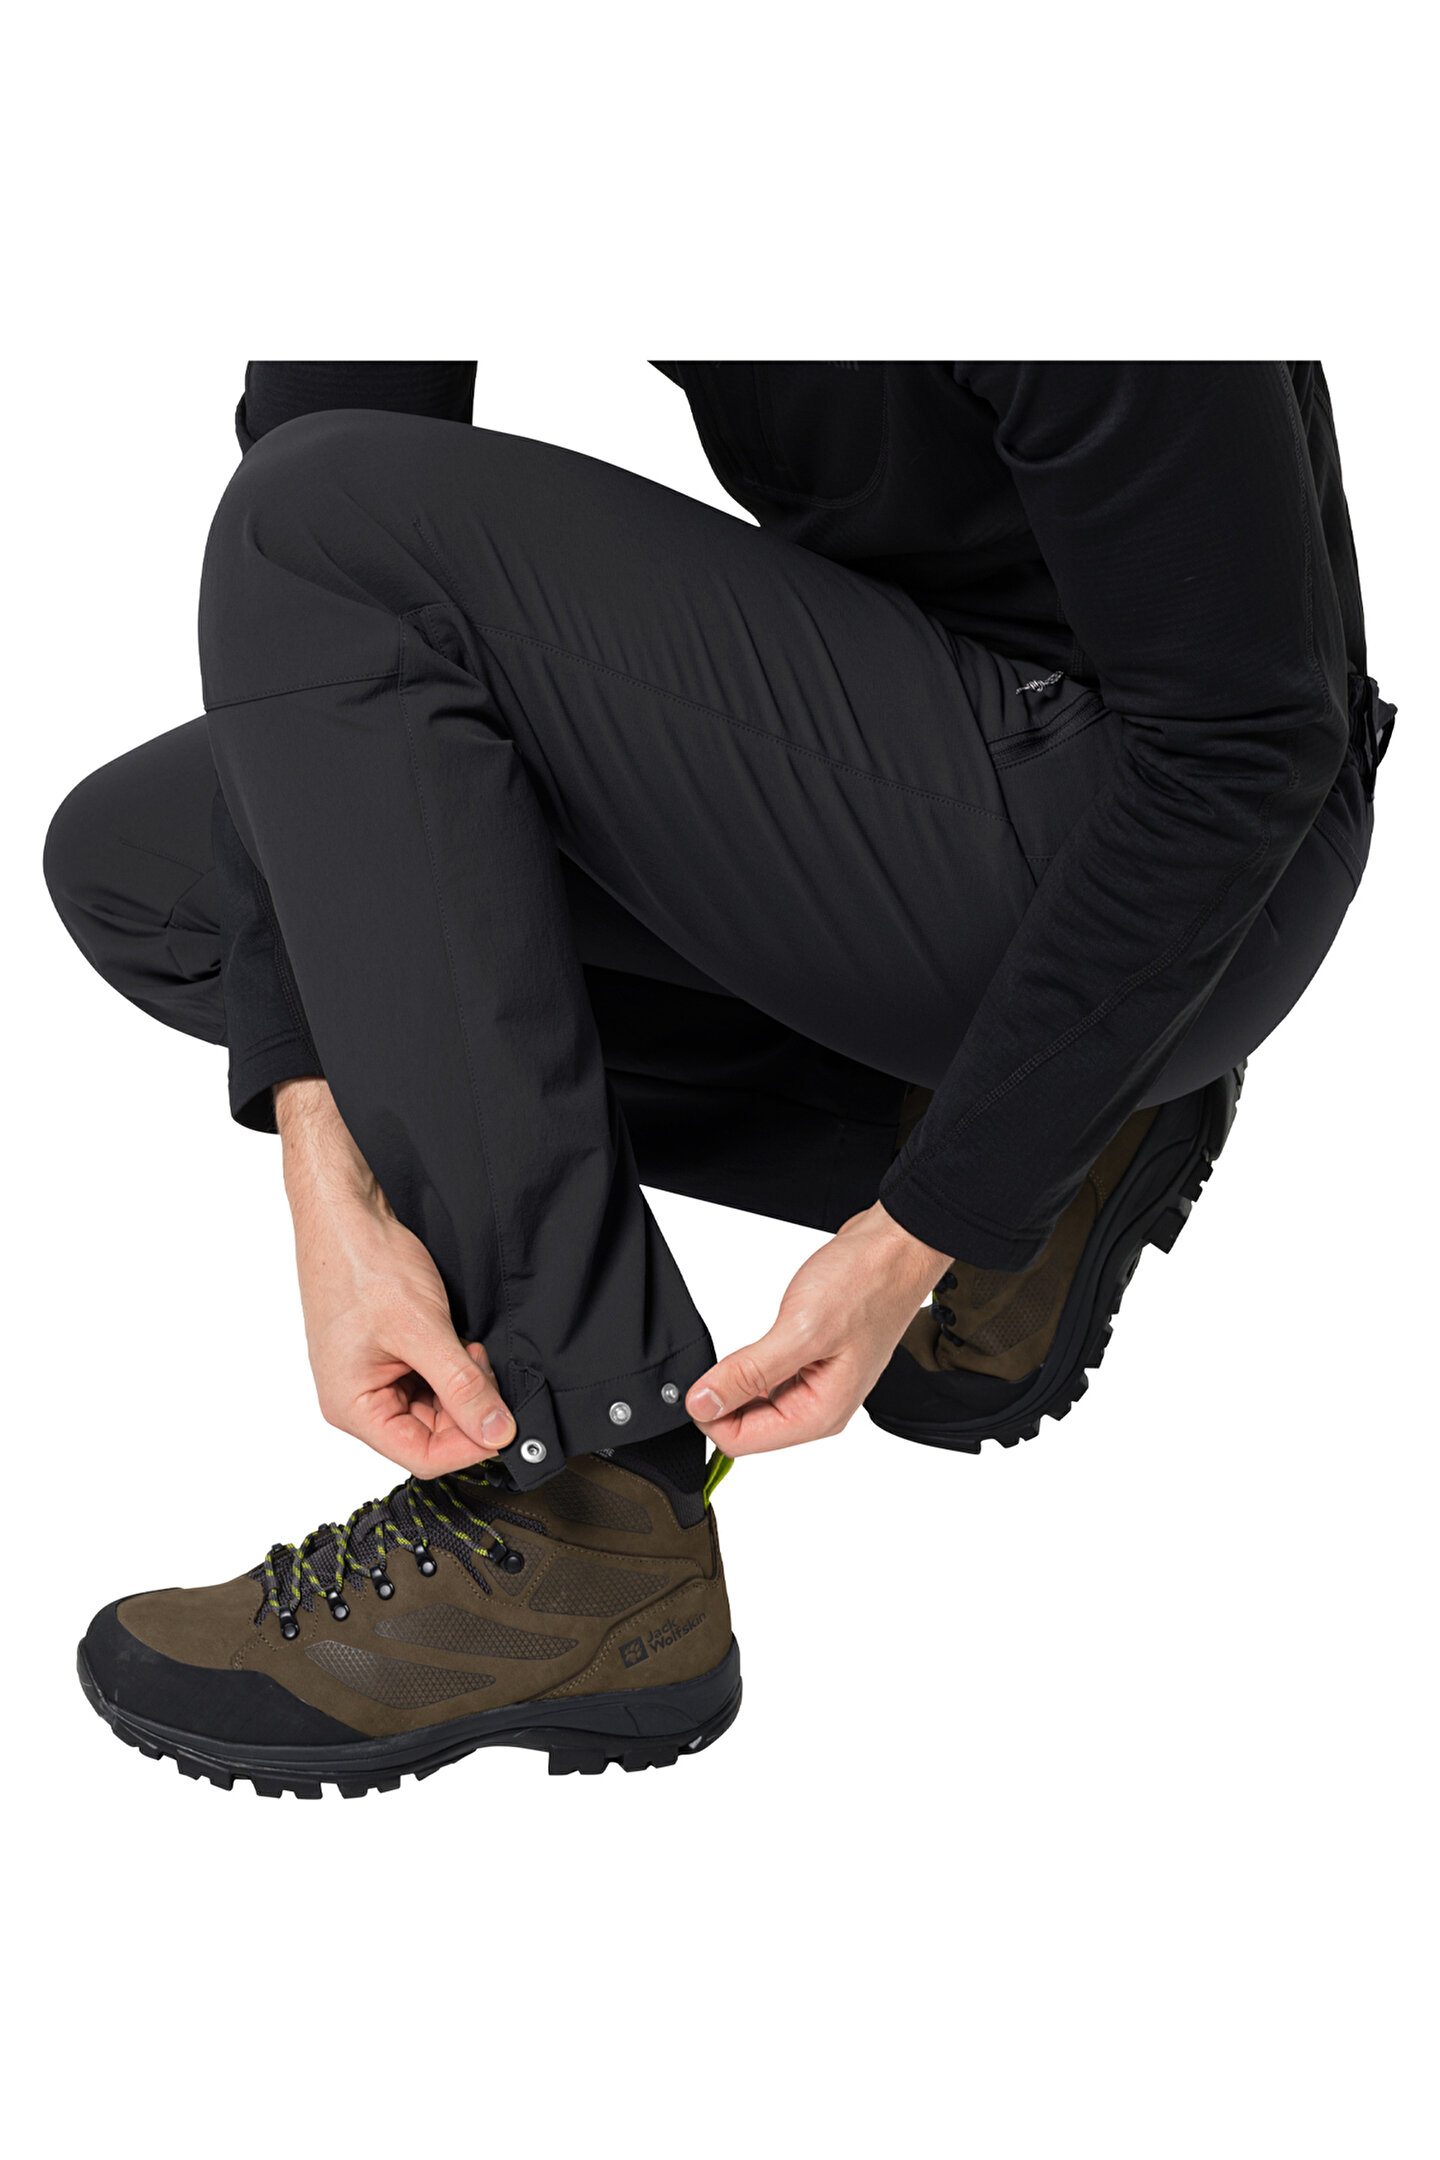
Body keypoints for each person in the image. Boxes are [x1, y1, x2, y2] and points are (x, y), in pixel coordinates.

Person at [45, 361, 1393, 1797]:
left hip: (1190, 844)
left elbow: (1244, 747)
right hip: (921, 763)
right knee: (159, 873)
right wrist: (332, 1175)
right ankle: (1039, 1118)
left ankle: (579, 1504)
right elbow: (305, 666)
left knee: (328, 523)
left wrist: (922, 1229)